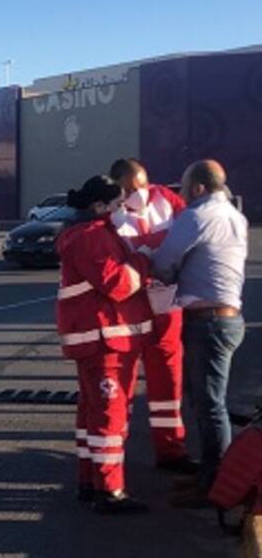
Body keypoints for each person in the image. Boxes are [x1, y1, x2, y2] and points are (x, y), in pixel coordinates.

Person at [148, 160, 249, 507]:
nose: (183, 193)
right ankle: (209, 477)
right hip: (226, 318)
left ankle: (215, 486)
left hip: (208, 322)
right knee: (207, 402)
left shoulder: (196, 216)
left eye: (185, 185)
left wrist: (144, 259)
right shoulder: (235, 216)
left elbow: (164, 263)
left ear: (199, 188)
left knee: (210, 406)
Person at [56, 175, 154, 514]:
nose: (121, 210)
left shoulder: (89, 234)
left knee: (92, 414)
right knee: (109, 417)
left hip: (97, 338)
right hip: (105, 339)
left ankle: (90, 479)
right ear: (99, 207)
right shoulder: (93, 236)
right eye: (116, 205)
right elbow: (117, 282)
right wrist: (144, 263)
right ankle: (110, 490)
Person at [109, 158, 195, 472]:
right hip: (131, 309)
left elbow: (189, 233)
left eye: (142, 185)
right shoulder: (111, 215)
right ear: (117, 188)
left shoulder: (166, 200)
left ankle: (172, 450)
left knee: (168, 385)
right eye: (131, 189)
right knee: (120, 385)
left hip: (167, 306)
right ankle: (113, 454)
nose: (139, 193)